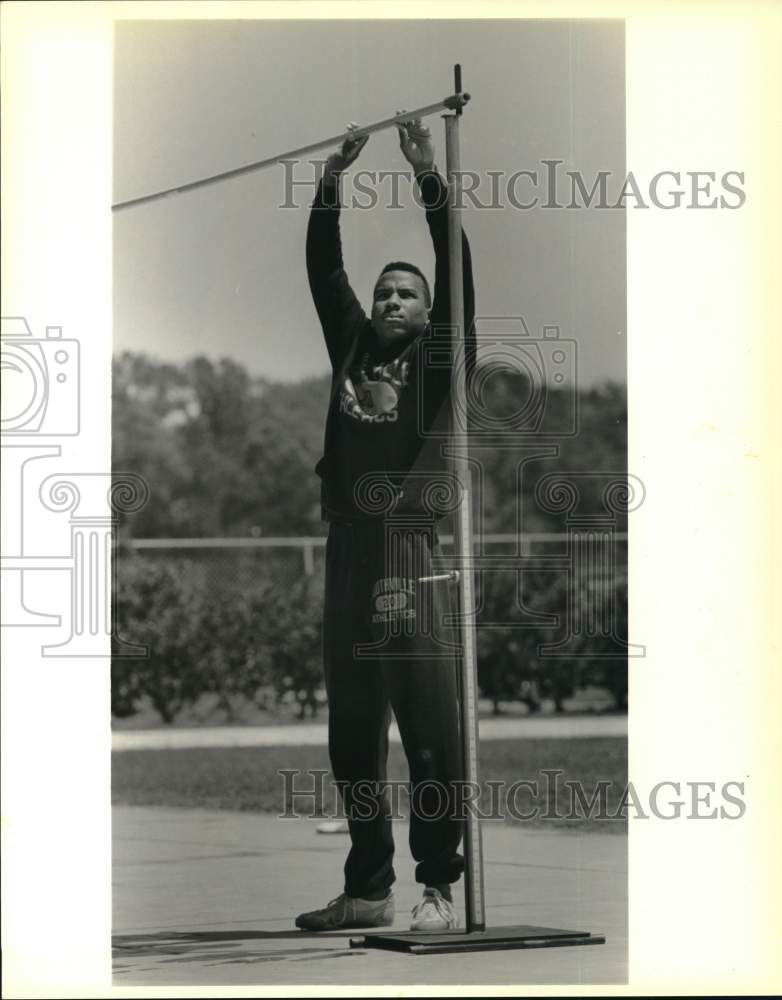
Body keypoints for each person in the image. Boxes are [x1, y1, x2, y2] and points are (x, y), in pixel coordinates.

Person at [295, 115, 475, 933]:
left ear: (428, 311)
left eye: (406, 293)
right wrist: (332, 180)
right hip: (349, 546)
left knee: (430, 726)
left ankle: (439, 887)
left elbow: (456, 270)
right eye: (383, 291)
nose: (390, 299)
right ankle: (369, 888)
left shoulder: (437, 360)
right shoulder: (352, 347)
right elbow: (322, 268)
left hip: (410, 546)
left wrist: (426, 172)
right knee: (353, 728)